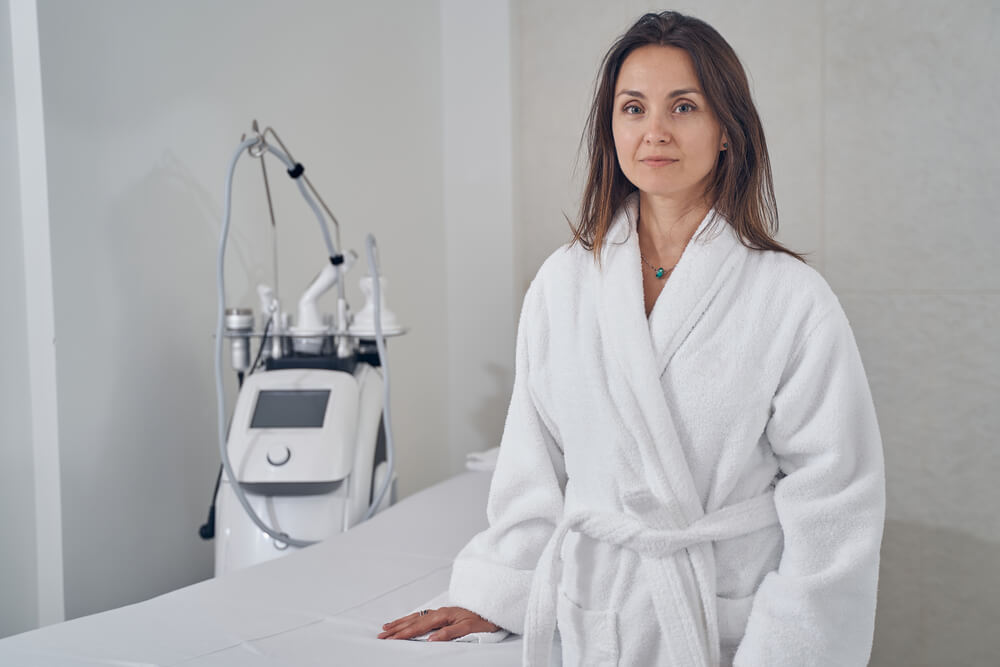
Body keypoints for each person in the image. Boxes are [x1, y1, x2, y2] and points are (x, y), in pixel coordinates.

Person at [378, 11, 885, 666]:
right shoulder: (562, 284)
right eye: (633, 107)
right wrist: (497, 587)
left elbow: (834, 502)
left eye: (683, 106)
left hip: (727, 625)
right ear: (610, 128)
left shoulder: (791, 299)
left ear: (727, 129)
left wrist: (787, 648)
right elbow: (534, 464)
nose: (655, 132)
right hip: (595, 617)